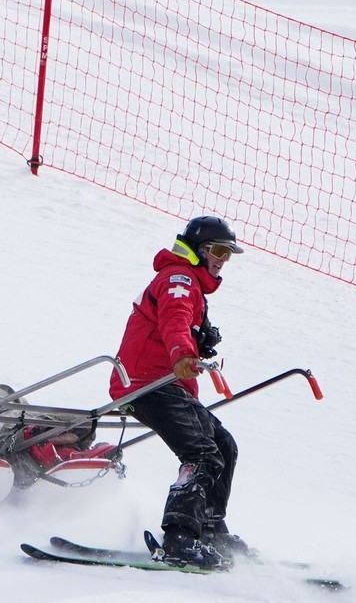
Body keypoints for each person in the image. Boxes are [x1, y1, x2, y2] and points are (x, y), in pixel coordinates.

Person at [110, 216, 247, 569]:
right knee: (202, 454)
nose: (221, 259)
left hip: (167, 384)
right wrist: (184, 353)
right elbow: (173, 319)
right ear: (199, 250)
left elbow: (179, 321)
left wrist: (200, 339)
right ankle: (180, 539)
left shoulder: (189, 284)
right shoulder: (179, 279)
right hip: (147, 384)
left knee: (223, 446)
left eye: (228, 254)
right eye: (217, 250)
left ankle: (210, 527)